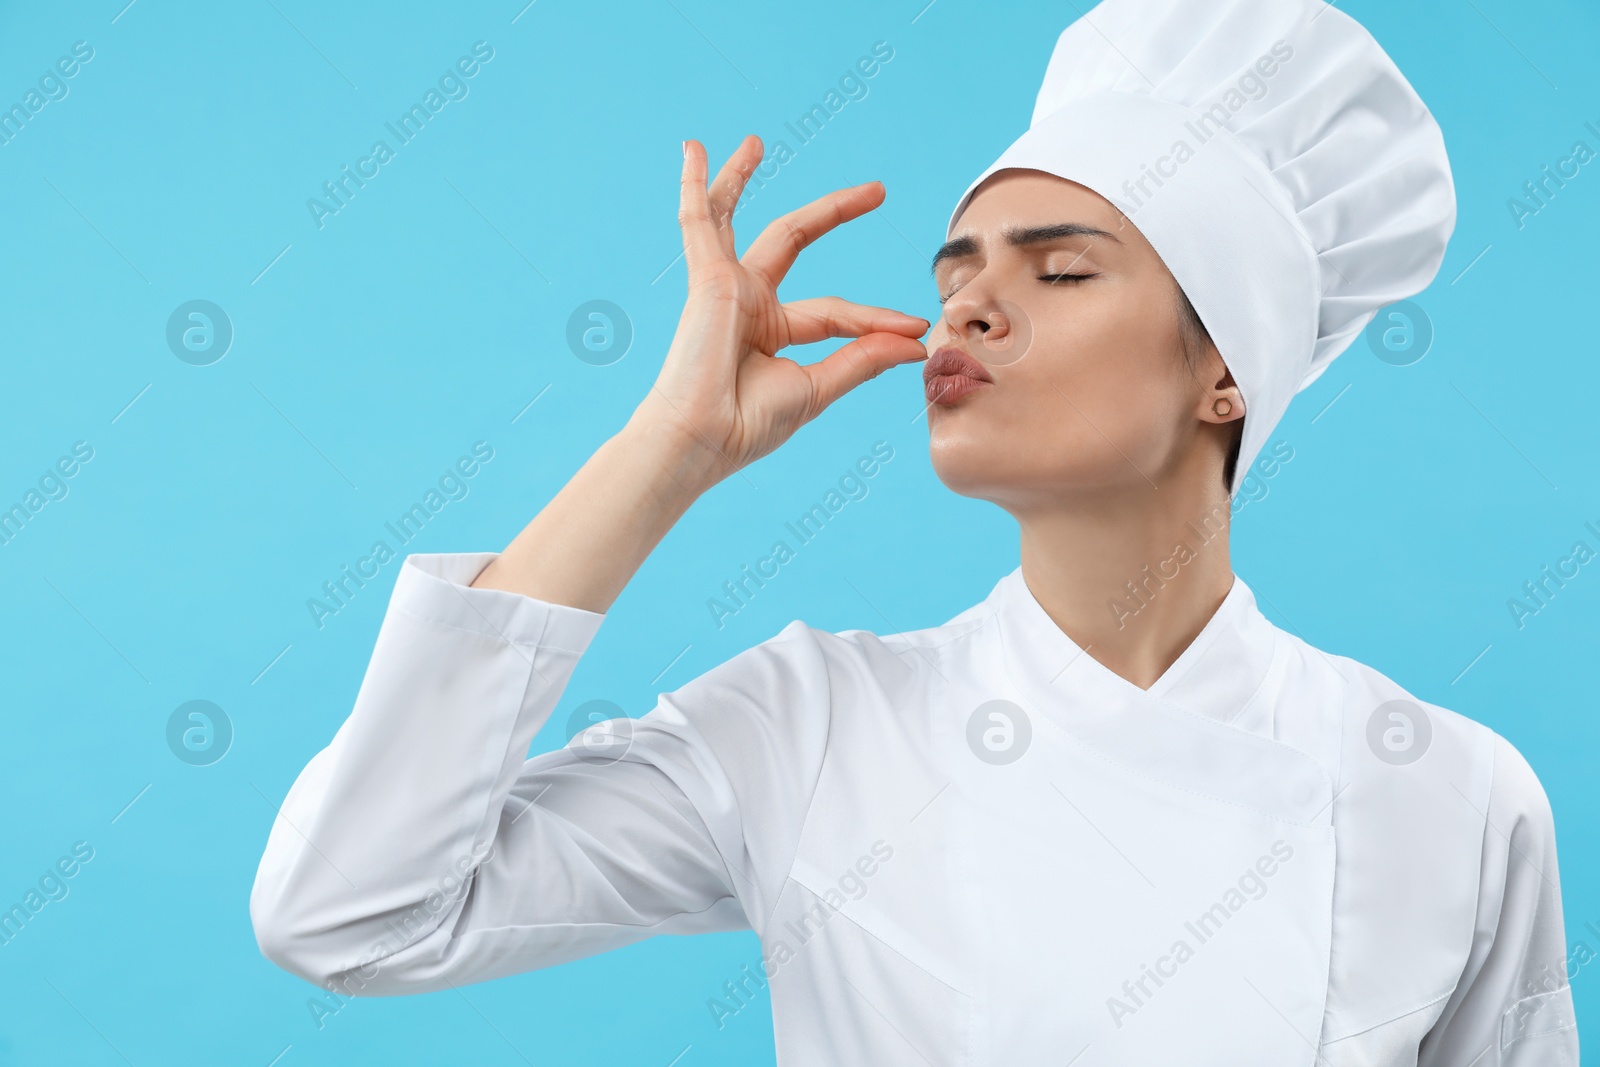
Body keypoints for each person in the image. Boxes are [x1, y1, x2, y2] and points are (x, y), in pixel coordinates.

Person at [250, 0, 1579, 1061]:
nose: (967, 314)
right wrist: (667, 451)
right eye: (956, 277)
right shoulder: (816, 725)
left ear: (1225, 371)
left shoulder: (1451, 795)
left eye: (1058, 270)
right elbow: (352, 915)